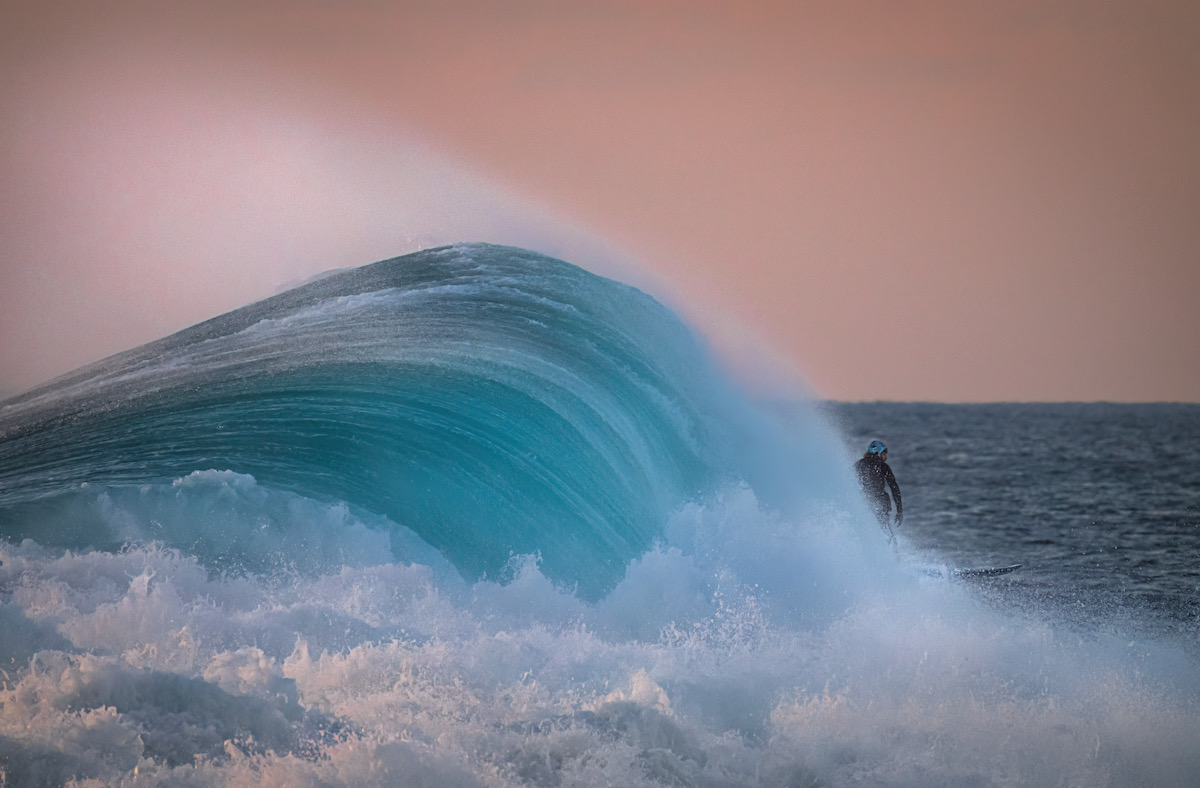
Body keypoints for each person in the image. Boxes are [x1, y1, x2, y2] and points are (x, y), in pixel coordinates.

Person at [855, 440, 903, 540]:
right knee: (886, 532)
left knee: (868, 530)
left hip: (864, 503)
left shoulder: (859, 465)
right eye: (884, 453)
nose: (885, 457)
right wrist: (899, 511)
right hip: (881, 503)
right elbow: (894, 488)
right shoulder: (883, 467)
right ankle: (891, 552)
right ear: (877, 452)